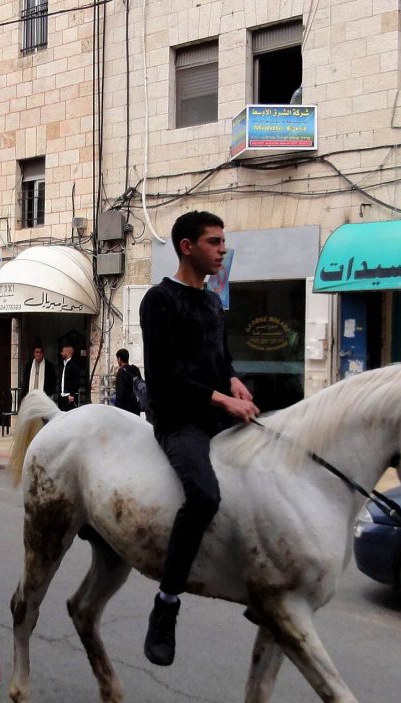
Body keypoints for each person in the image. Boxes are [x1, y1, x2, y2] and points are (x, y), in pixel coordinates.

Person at [139, 210, 259, 667]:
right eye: (213, 241)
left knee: (268, 475)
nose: (222, 249)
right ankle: (166, 604)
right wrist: (223, 400)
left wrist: (234, 381)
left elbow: (220, 359)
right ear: (187, 247)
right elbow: (164, 378)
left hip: (215, 414)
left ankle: (257, 582)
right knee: (205, 496)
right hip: (179, 420)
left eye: (223, 241)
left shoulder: (211, 301)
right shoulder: (159, 300)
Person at [113, 347, 142, 415]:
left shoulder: (121, 372)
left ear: (119, 359)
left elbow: (120, 393)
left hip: (125, 409)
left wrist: (117, 411)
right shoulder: (136, 369)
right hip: (136, 406)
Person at [57, 343, 81, 411]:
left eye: (62, 352)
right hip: (62, 395)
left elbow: (76, 381)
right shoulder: (63, 364)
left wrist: (72, 394)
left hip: (70, 396)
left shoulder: (74, 364)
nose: (61, 353)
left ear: (67, 353)